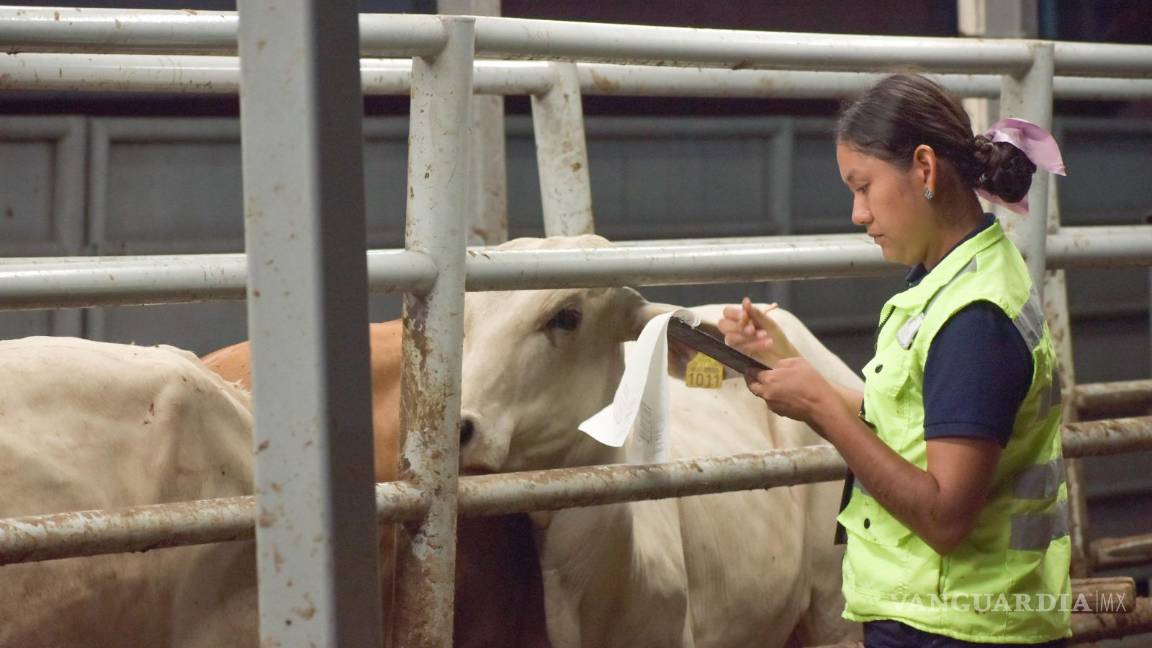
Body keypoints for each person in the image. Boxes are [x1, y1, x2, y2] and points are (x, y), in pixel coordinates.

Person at [719, 73, 1070, 647]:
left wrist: (820, 411)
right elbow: (914, 419)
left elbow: (945, 517)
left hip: (961, 628)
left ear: (925, 170)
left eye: (863, 187)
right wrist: (782, 361)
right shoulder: (954, 282)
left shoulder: (972, 319)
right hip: (951, 617)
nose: (858, 214)